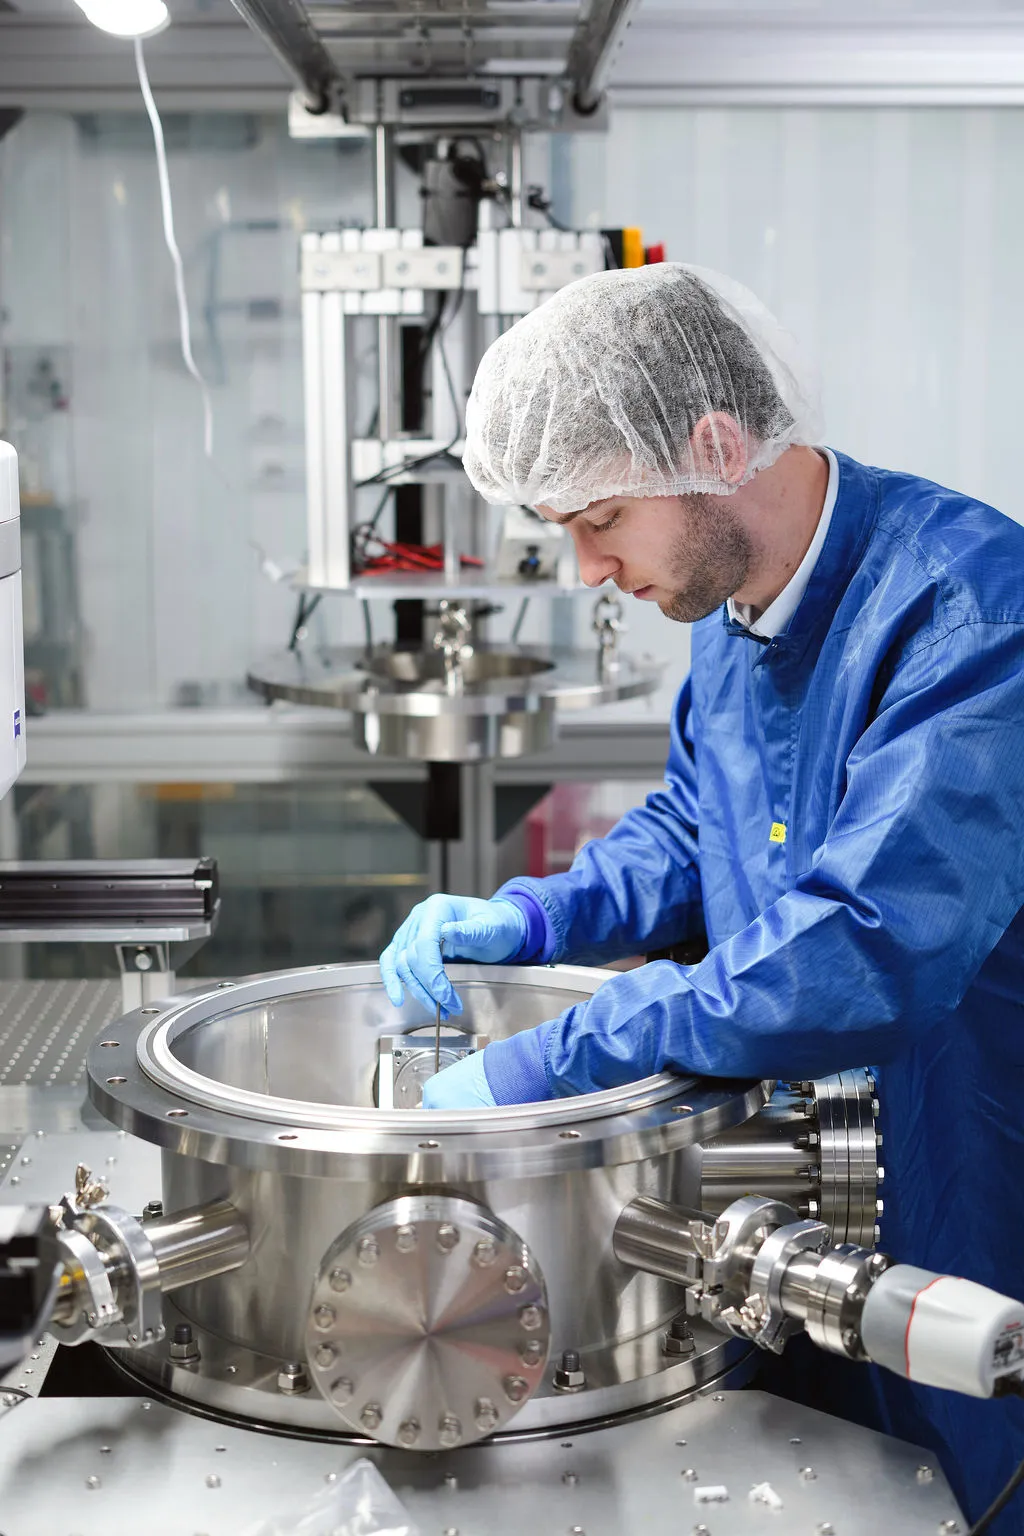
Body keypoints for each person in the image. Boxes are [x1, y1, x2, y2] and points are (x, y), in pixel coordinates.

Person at [378, 263, 1024, 1530]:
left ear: (715, 444)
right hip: (799, 1178)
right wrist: (539, 919)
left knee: (964, 1484)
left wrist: (555, 1058)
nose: (587, 569)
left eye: (601, 517)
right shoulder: (735, 609)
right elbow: (697, 824)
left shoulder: (971, 611)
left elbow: (867, 941)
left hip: (970, 1167)